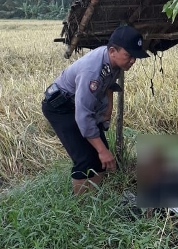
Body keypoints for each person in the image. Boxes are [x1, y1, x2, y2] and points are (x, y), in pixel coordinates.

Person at [42, 26, 149, 195]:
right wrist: (101, 150)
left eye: (135, 56)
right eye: (129, 55)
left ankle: (96, 198)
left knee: (101, 156)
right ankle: (81, 207)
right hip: (61, 108)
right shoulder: (92, 71)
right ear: (113, 50)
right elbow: (83, 116)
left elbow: (109, 85)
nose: (133, 60)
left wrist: (107, 111)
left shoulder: (112, 61)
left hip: (80, 106)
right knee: (86, 158)